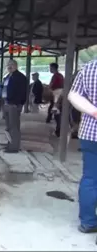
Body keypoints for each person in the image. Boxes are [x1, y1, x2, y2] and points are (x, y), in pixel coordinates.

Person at [67, 60, 97, 238]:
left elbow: (73, 95)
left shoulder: (90, 67)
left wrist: (94, 112)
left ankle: (88, 222)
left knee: (90, 178)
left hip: (91, 133)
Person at [1, 59, 28, 153]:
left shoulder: (20, 77)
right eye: (8, 65)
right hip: (6, 103)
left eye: (11, 65)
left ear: (16, 66)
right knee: (8, 126)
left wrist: (19, 104)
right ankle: (9, 144)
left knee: (14, 127)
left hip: (14, 105)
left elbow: (23, 92)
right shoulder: (8, 76)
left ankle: (14, 147)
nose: (9, 66)